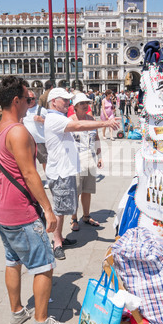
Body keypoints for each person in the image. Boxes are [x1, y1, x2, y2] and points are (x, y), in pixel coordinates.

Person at [0, 75, 71, 324]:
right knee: (45, 265)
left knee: (12, 261)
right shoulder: (18, 132)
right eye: (28, 99)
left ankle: (17, 312)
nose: (31, 103)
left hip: (0, 210)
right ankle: (41, 322)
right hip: (20, 212)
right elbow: (29, 173)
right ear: (16, 101)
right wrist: (48, 209)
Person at [44, 88, 120, 260]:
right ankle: (57, 243)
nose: (67, 103)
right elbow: (78, 126)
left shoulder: (58, 117)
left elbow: (92, 136)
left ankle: (61, 237)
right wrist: (105, 123)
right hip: (60, 172)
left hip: (67, 168)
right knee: (59, 209)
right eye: (64, 100)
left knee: (63, 207)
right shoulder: (55, 118)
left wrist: (98, 154)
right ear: (54, 101)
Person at [69, 92, 103, 231]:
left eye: (86, 103)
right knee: (75, 190)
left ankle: (86, 216)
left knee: (87, 190)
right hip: (75, 160)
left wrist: (100, 156)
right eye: (81, 103)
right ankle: (73, 218)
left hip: (90, 158)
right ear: (75, 107)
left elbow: (96, 138)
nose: (85, 105)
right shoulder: (70, 121)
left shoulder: (91, 119)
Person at [23, 90, 49, 188]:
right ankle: (32, 181)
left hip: (40, 141)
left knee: (45, 162)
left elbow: (51, 123)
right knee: (29, 163)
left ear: (36, 99)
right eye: (28, 99)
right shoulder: (23, 110)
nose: (31, 101)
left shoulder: (42, 110)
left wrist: (42, 120)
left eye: (32, 98)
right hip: (27, 142)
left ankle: (48, 180)